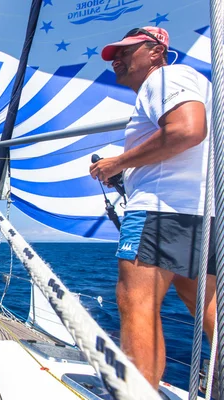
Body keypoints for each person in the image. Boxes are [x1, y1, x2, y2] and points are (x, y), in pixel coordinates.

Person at [89, 26, 215, 391]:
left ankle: (137, 394)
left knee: (135, 301)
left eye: (127, 52)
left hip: (161, 211)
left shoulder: (165, 79)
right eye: (115, 55)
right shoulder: (187, 83)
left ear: (156, 51)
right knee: (203, 301)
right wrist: (127, 173)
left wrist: (117, 163)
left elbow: (187, 130)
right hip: (199, 212)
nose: (117, 60)